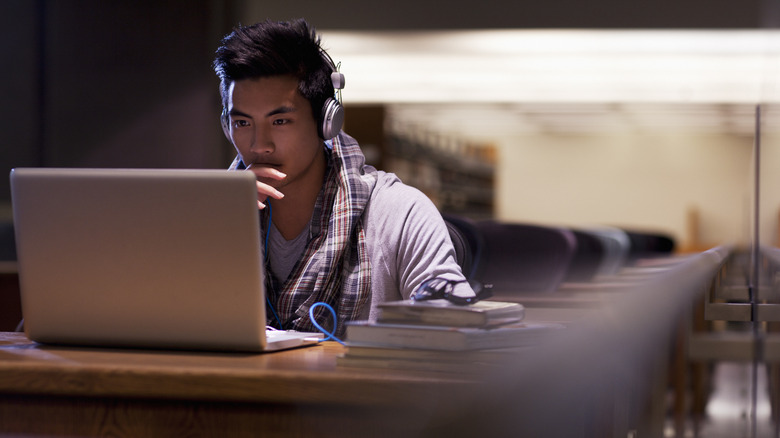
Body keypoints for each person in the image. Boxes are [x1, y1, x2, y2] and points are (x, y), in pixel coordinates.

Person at [212, 18, 473, 336]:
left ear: (327, 122)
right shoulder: (212, 214)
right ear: (227, 126)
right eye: (242, 123)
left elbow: (455, 331)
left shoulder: (400, 213)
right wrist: (220, 226)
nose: (259, 145)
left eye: (280, 121)